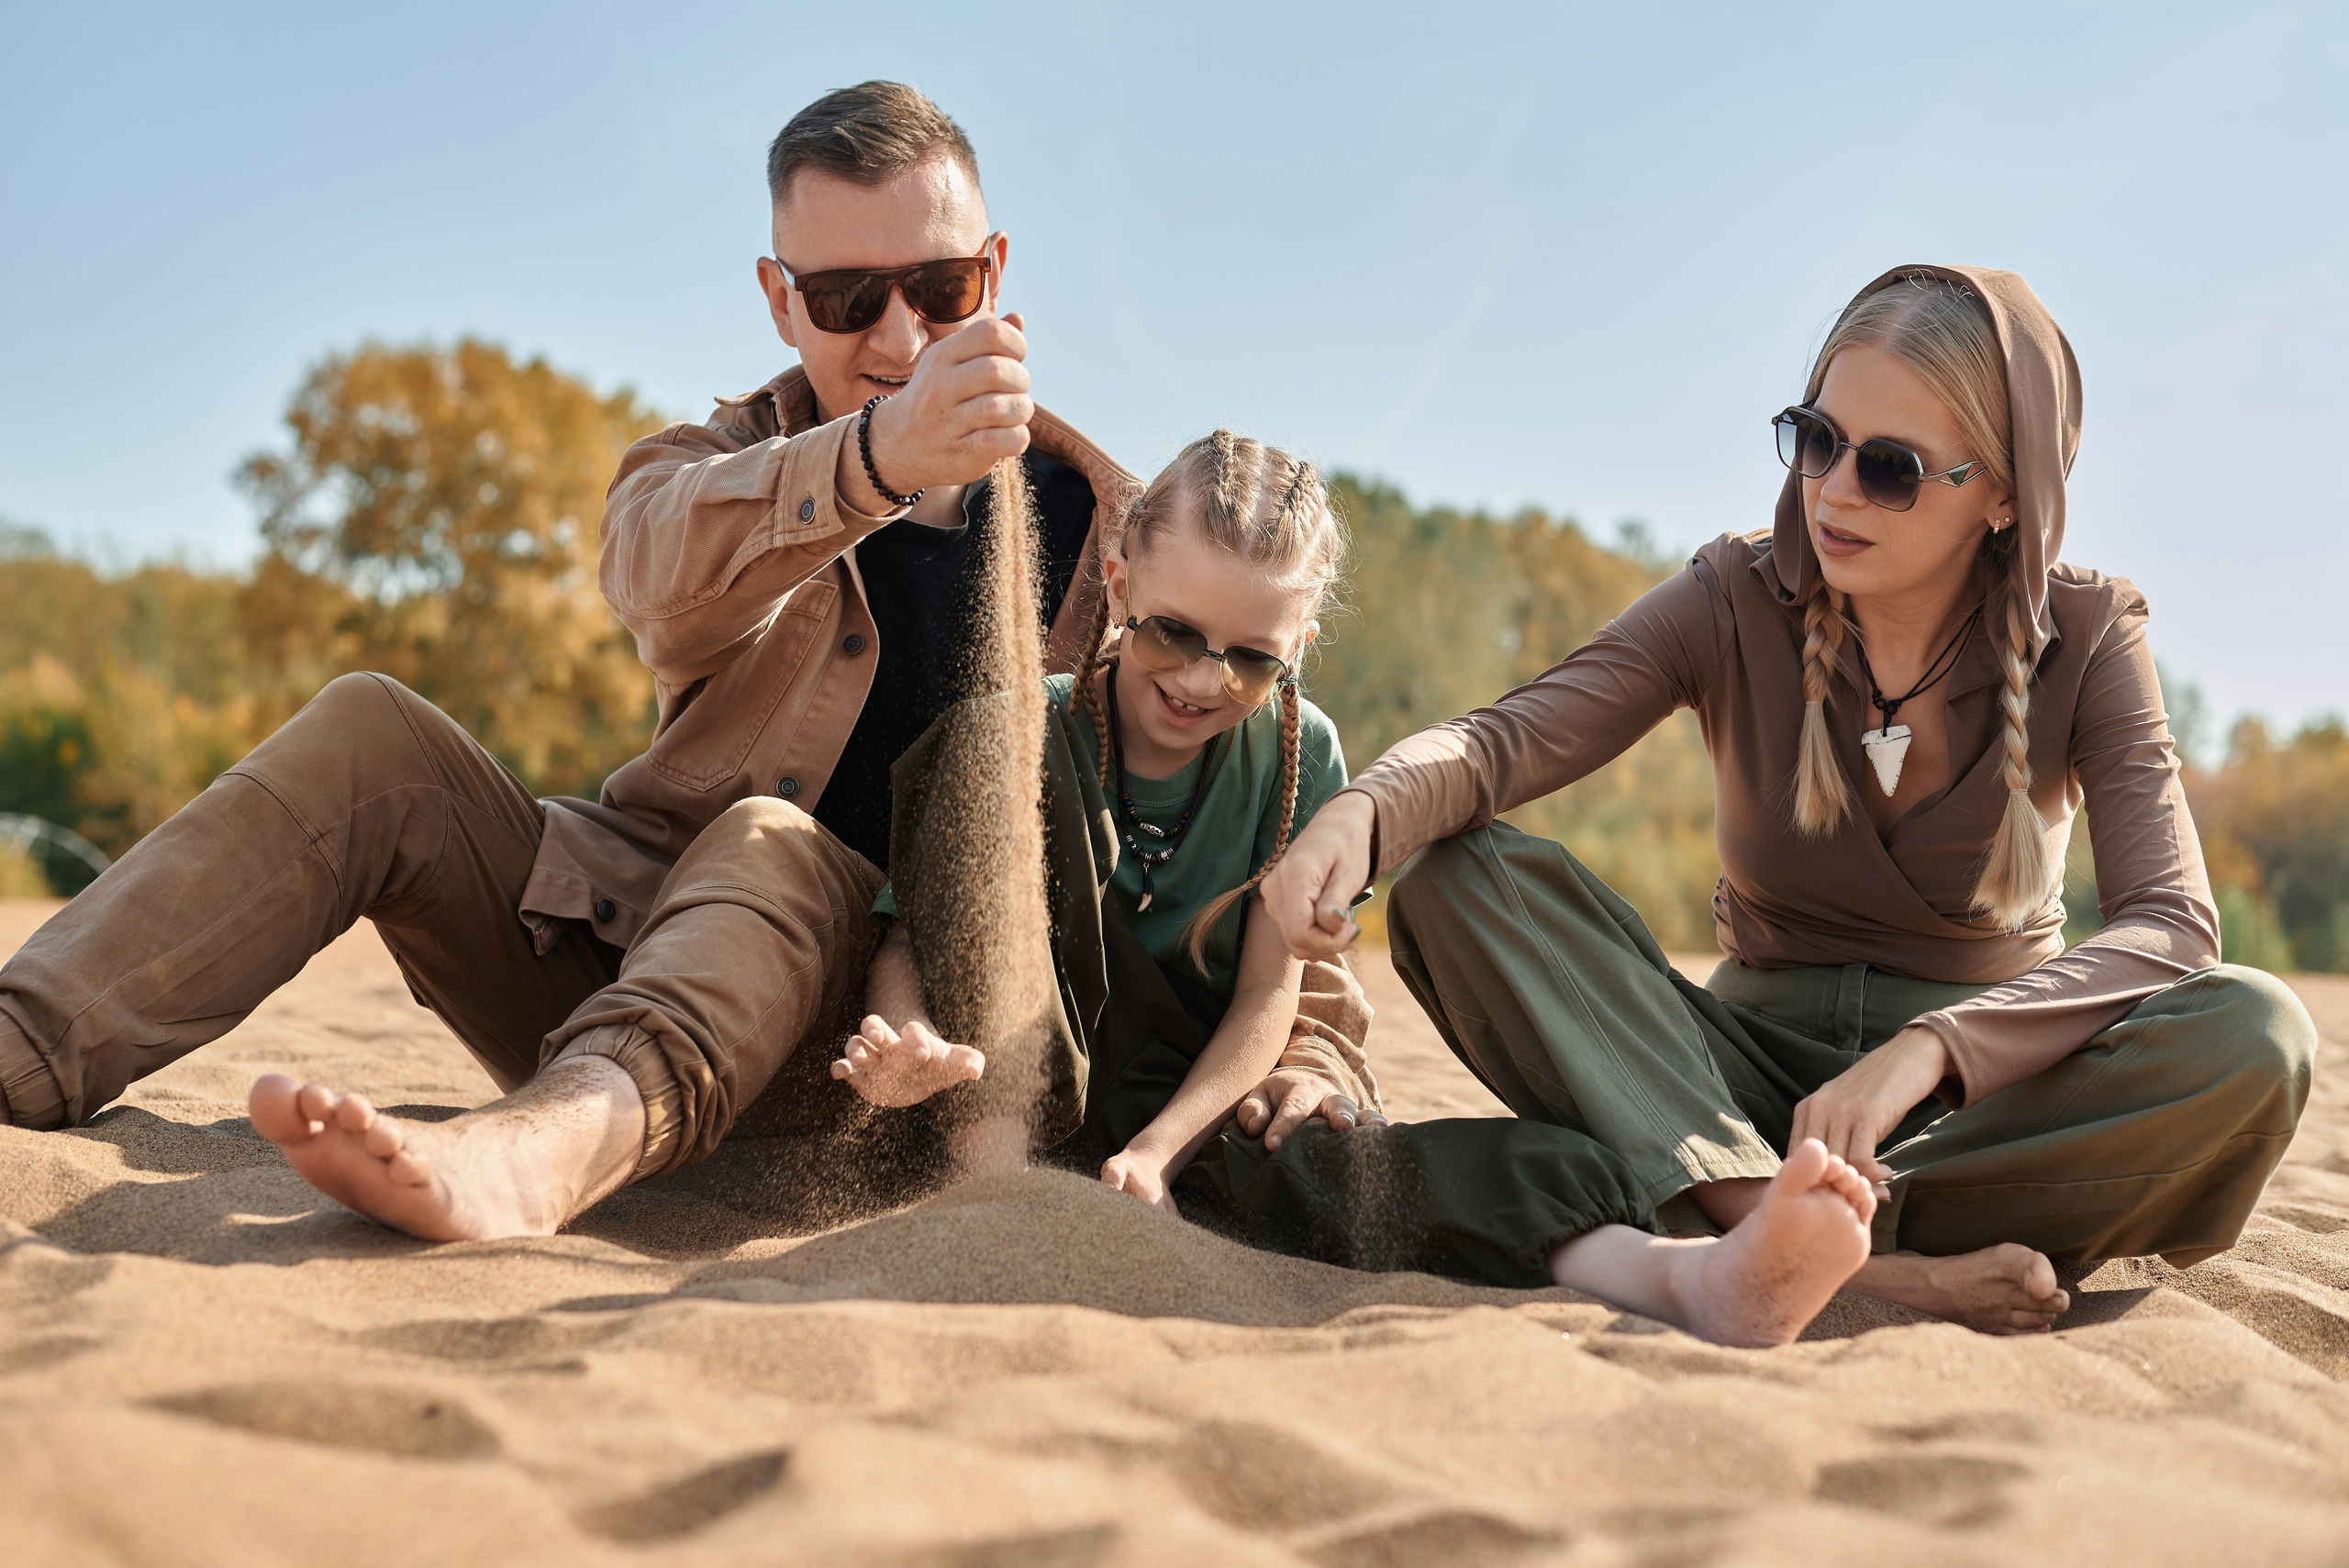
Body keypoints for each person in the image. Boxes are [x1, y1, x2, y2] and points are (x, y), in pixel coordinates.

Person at [0, 81, 1373, 1240]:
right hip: (632, 960)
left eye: (938, 288)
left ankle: (530, 1164)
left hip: (905, 1066)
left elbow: (1264, 843)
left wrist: (1314, 1055)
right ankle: (26, 1048)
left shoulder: (1128, 553)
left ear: (994, 277)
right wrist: (877, 462)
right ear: (780, 302)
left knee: (777, 843)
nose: (897, 340)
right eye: (845, 297)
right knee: (373, 732)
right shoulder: (713, 473)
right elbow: (652, 578)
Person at [1249, 264, 2316, 1340]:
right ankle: (1793, 1238)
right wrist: (1363, 811)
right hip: (1721, 1094)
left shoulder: (2087, 633)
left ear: (2002, 492)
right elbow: (1503, 738)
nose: (1835, 489)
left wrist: (1932, 1050)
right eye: (1816, 439)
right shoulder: (1733, 594)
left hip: (1968, 1115)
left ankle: (1803, 1235)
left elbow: (2172, 927)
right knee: (1456, 872)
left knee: (2257, 1031)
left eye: (1891, 467)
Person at [830, 432, 1390, 1209]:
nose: (1202, 680)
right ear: (1120, 587)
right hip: (1012, 1085)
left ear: (1299, 647)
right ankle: (993, 1197)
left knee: (1346, 1173)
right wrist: (908, 1030)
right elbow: (910, 941)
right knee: (996, 736)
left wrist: (1158, 1153)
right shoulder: (1020, 733)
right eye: (1172, 634)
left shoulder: (1300, 753)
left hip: (1187, 1094)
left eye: (1253, 661)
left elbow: (1268, 994)